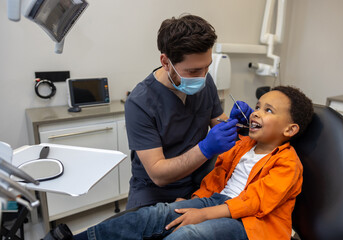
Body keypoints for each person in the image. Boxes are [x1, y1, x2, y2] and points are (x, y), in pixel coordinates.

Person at [56, 85, 313, 240]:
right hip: (217, 202)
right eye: (257, 106)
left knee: (187, 235)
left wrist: (201, 214)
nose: (255, 112)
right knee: (152, 216)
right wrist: (194, 200)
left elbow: (252, 203)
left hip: (253, 224)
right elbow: (216, 178)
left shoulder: (287, 164)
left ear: (290, 130)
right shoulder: (244, 145)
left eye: (268, 110)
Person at [124, 14, 252, 209]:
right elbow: (158, 174)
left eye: (206, 68)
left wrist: (235, 123)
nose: (202, 77)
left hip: (198, 181)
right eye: (193, 72)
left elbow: (218, 120)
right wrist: (205, 148)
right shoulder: (140, 103)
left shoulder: (204, 81)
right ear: (166, 62)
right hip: (154, 192)